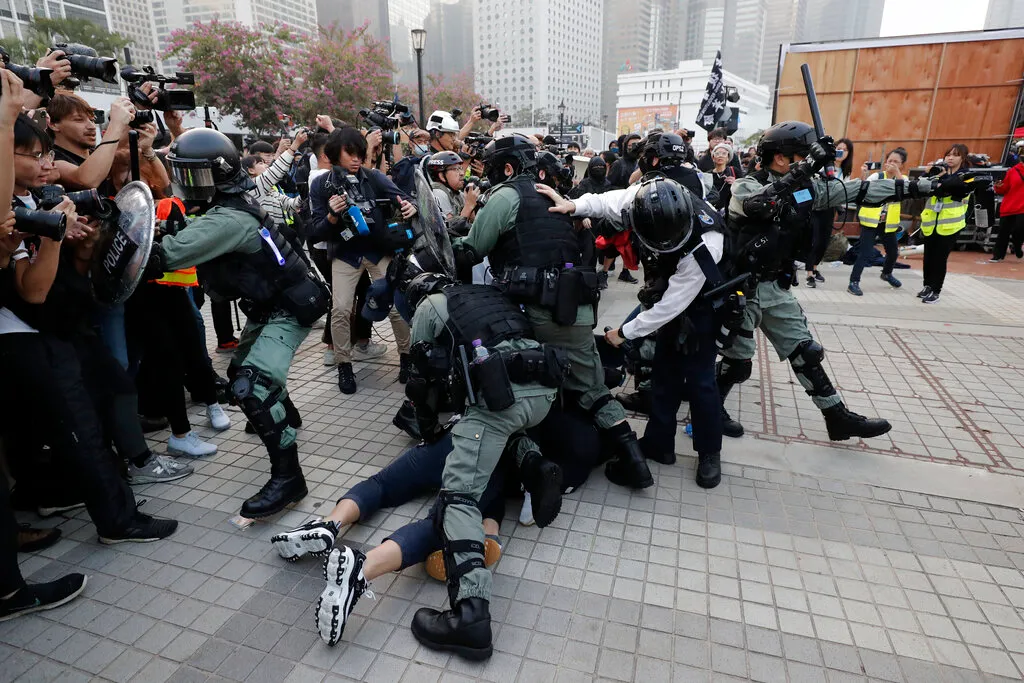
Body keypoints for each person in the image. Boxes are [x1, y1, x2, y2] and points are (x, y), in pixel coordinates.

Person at [717, 121, 980, 440]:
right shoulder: (747, 185)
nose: (807, 162)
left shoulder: (807, 187)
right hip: (741, 288)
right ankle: (711, 412)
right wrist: (806, 169)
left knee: (807, 352)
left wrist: (931, 187)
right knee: (737, 364)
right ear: (783, 159)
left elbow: (860, 190)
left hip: (775, 286)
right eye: (803, 155)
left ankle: (836, 417)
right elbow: (757, 206)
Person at [451, 133, 654, 490]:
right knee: (592, 387)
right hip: (577, 306)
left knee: (519, 379)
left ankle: (530, 459)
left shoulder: (505, 196)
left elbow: (473, 249)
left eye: (495, 169)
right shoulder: (551, 194)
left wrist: (451, 237)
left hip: (537, 311)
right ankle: (634, 460)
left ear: (508, 168)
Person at [147, 127, 331, 519]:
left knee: (253, 387)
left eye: (194, 176)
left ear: (217, 175)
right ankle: (288, 418)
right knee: (239, 375)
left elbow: (165, 256)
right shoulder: (231, 201)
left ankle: (289, 479)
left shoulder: (229, 217)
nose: (188, 185)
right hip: (273, 303)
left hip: (290, 307)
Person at [539, 174, 728, 488]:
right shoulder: (644, 198)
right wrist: (573, 205)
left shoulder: (707, 243)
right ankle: (658, 444)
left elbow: (672, 306)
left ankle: (709, 452)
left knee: (700, 381)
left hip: (705, 300)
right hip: (669, 288)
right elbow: (608, 201)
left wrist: (625, 332)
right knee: (664, 371)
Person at [308, 127, 416, 394]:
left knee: (396, 305)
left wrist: (410, 206)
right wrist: (333, 217)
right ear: (334, 154)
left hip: (379, 250)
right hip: (345, 254)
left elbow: (406, 197)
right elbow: (314, 231)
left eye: (360, 154)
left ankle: (407, 358)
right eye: (350, 154)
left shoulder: (374, 177)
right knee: (341, 308)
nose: (356, 160)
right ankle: (344, 364)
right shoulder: (321, 184)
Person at [919, 144, 973, 304]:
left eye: (955, 155)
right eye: (948, 155)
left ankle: (936, 290)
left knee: (940, 258)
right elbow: (921, 186)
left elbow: (949, 188)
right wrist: (928, 173)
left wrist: (940, 179)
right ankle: (927, 285)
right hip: (931, 222)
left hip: (951, 224)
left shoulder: (966, 176)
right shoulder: (939, 172)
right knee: (928, 256)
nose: (950, 158)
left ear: (962, 158)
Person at [848, 147, 908, 295]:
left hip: (888, 223)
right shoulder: (876, 177)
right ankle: (853, 282)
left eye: (896, 162)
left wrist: (897, 173)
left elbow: (905, 190)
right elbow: (861, 189)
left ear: (902, 165)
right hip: (872, 221)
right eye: (890, 160)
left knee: (893, 252)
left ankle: (886, 273)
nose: (892, 164)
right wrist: (863, 174)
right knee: (865, 252)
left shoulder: (903, 178)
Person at [427, 150, 479, 235]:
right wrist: (469, 205)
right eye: (455, 169)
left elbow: (473, 224)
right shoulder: (439, 193)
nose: (462, 173)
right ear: (441, 176)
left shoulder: (457, 193)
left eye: (460, 168)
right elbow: (451, 231)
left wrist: (471, 204)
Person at [991, 151, 1024, 262]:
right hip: (1010, 206)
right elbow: (1004, 189)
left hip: (1022, 208)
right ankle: (998, 255)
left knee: (1019, 230)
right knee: (1003, 232)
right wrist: (998, 186)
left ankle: (1017, 246)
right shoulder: (1013, 171)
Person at [709, 143, 737, 212]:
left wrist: (736, 183)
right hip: (712, 210)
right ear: (713, 158)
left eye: (724, 153)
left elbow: (742, 189)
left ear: (728, 158)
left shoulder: (734, 171)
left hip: (730, 210)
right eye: (717, 153)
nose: (720, 156)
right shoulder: (707, 175)